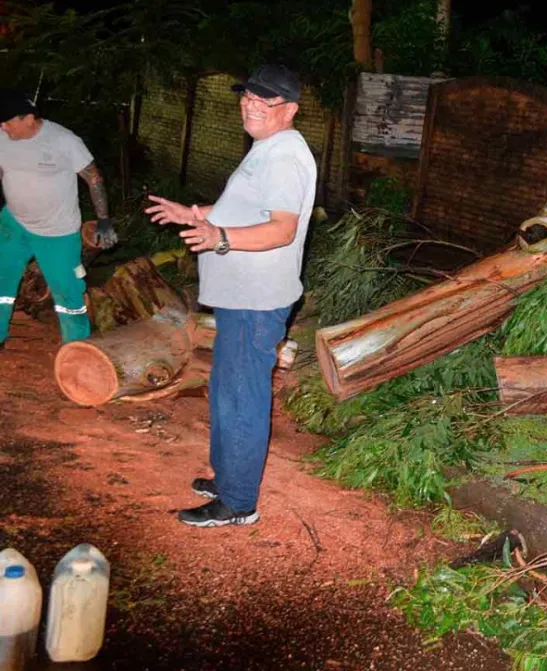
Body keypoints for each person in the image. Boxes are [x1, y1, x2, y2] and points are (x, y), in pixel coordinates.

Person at [145, 64, 317, 528]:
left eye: (265, 101)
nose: (251, 105)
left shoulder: (284, 156)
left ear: (290, 111)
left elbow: (281, 230)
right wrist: (193, 212)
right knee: (226, 390)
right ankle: (228, 478)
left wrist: (219, 237)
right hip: (240, 296)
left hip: (258, 300)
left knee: (242, 397)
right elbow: (242, 209)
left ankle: (239, 503)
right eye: (248, 97)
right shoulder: (266, 148)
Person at [0, 89, 117, 348]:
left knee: (68, 292)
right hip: (13, 223)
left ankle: (77, 349)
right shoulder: (2, 136)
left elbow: (94, 178)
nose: (3, 127)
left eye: (8, 121)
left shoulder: (64, 141)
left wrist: (104, 220)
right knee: (1, 278)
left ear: (29, 118)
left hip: (57, 232)